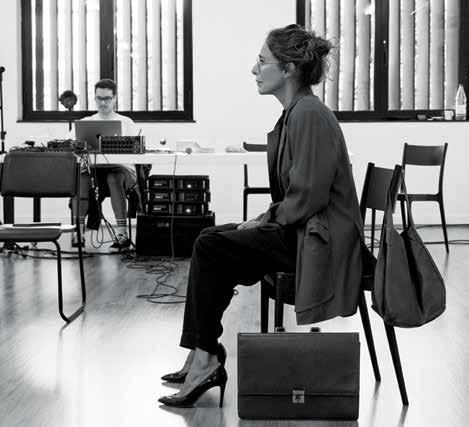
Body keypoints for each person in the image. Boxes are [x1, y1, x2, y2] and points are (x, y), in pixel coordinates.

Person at [158, 24, 364, 408]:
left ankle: (205, 357)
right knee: (212, 239)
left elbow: (308, 196)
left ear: (288, 69)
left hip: (319, 241)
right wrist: (265, 218)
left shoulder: (309, 115)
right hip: (305, 231)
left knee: (212, 246)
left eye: (262, 61)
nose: (254, 69)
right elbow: (301, 196)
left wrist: (266, 218)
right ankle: (201, 352)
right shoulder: (297, 113)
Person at [71, 79, 139, 250]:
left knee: (114, 178)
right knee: (81, 178)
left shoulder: (126, 122)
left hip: (121, 170)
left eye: (107, 98)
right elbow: (70, 146)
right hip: (93, 170)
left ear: (115, 98)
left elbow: (138, 149)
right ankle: (78, 233)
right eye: (99, 98)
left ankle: (122, 235)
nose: (103, 102)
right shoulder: (85, 122)